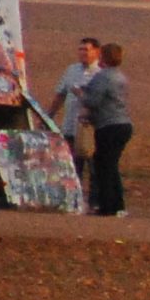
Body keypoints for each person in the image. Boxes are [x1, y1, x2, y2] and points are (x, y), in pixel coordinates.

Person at [81, 42, 132, 218]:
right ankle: (117, 206)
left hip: (109, 126)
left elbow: (92, 101)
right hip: (123, 124)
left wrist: (81, 94)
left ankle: (107, 207)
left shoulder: (103, 76)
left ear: (104, 57)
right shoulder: (120, 76)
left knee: (103, 166)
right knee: (110, 164)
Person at [49, 36, 99, 203]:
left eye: (87, 50)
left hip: (88, 129)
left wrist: (82, 95)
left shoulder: (100, 73)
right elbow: (60, 94)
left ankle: (94, 201)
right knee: (71, 166)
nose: (83, 53)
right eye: (81, 49)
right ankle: (72, 200)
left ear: (96, 52)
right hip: (70, 126)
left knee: (93, 167)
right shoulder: (72, 70)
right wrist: (49, 115)